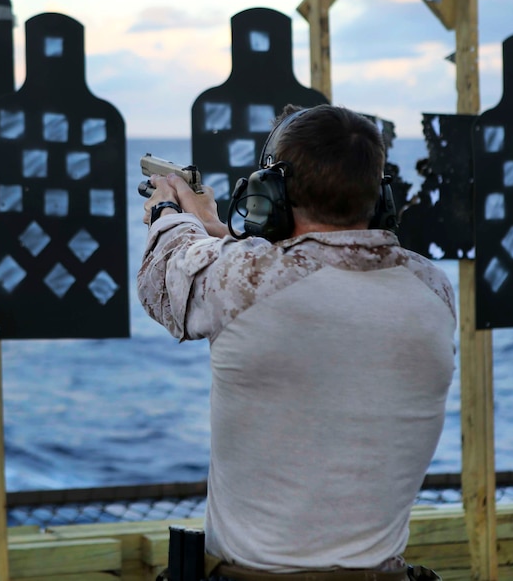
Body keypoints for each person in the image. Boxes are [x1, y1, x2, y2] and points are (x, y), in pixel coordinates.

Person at [136, 104, 456, 581]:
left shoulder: (242, 278)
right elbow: (303, 273)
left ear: (271, 194)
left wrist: (170, 211)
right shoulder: (432, 288)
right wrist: (216, 229)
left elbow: (164, 279)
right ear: (379, 194)